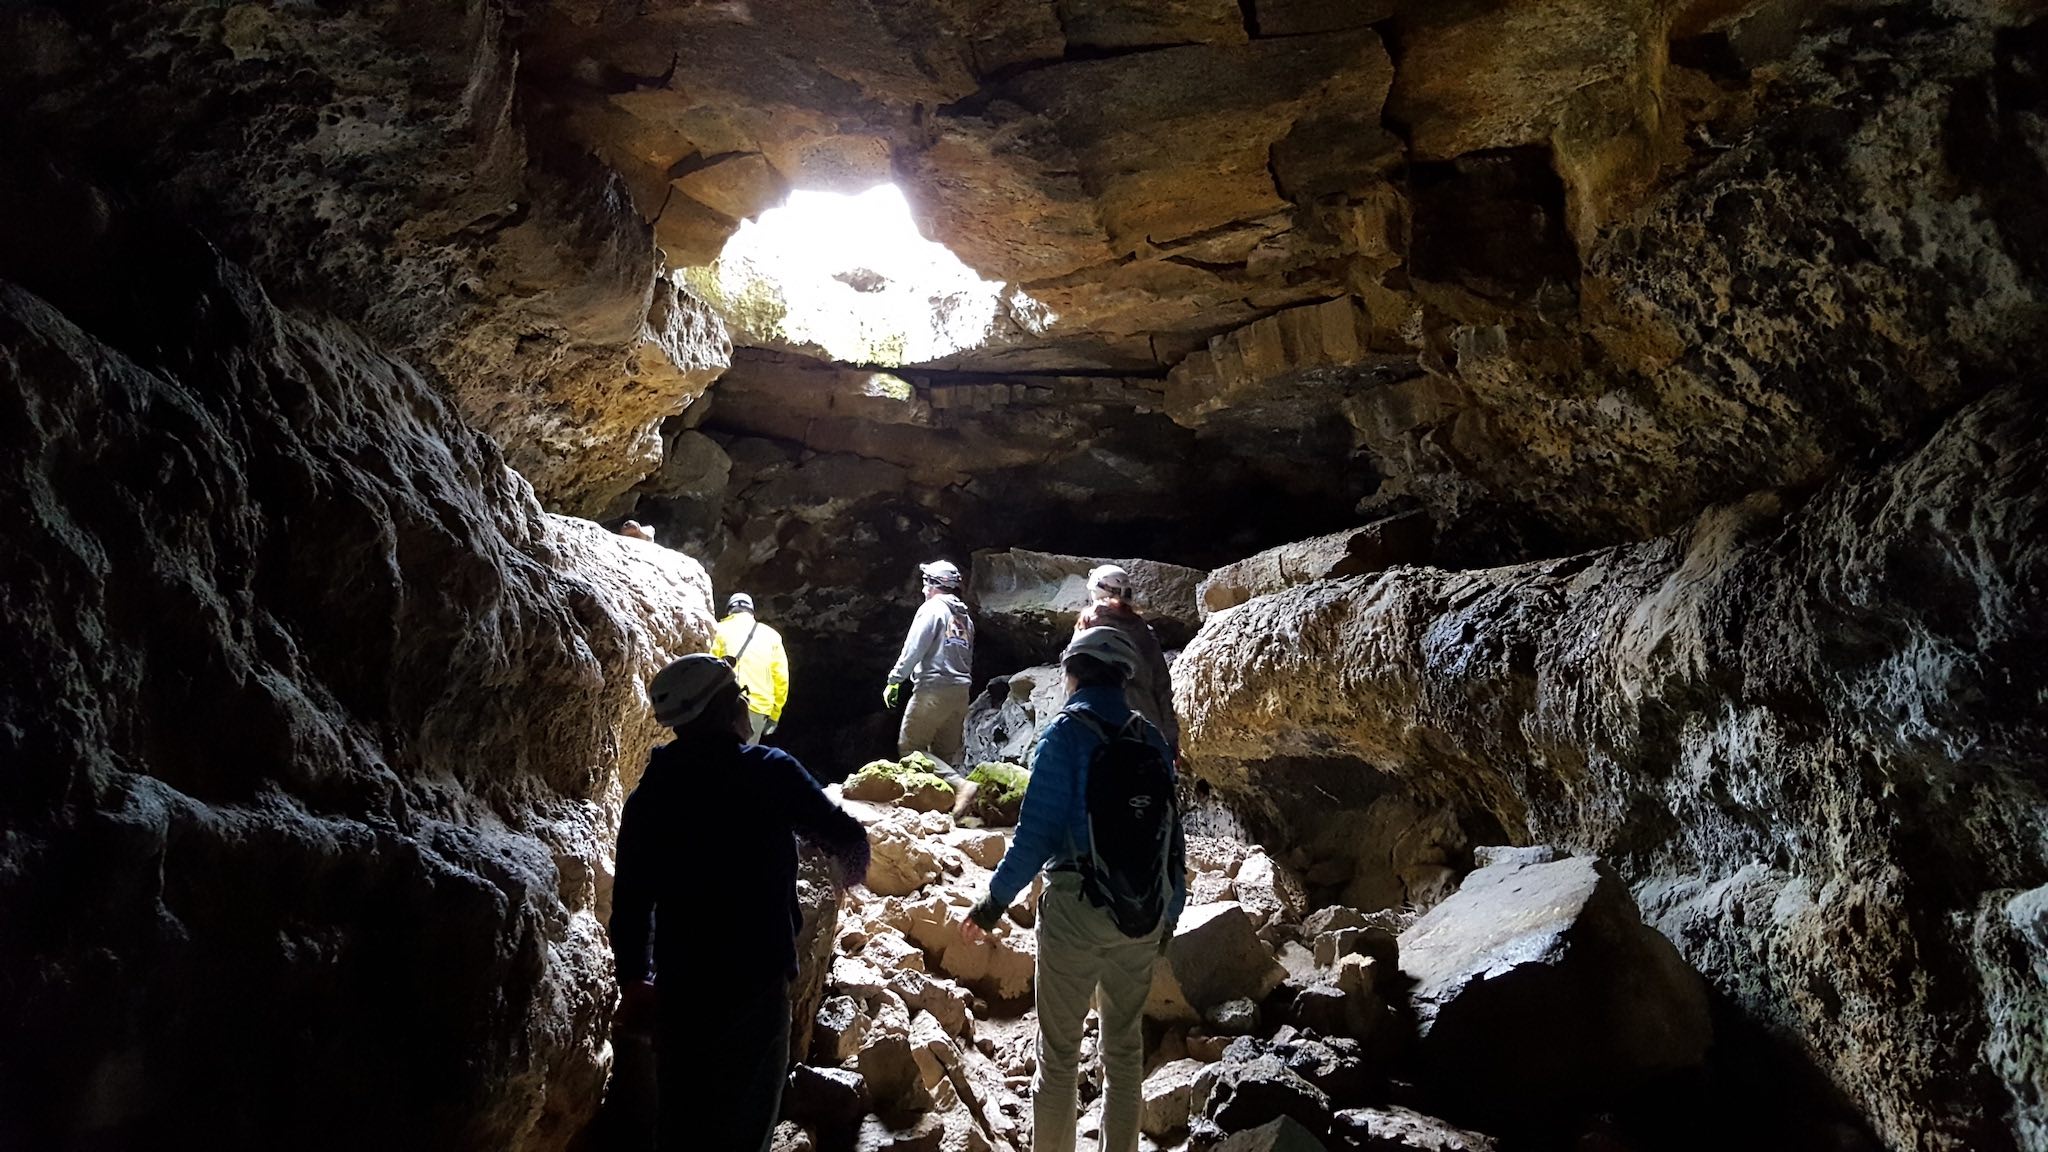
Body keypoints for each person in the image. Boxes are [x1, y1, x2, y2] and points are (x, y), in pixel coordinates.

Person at [612, 654, 869, 1152]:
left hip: (681, 987)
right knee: (745, 1127)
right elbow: (848, 840)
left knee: (682, 1126)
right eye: (741, 698)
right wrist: (844, 875)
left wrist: (635, 980)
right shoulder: (769, 772)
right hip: (755, 984)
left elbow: (630, 904)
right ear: (726, 708)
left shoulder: (651, 795)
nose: (746, 707)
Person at [962, 627, 1186, 1152]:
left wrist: (992, 903)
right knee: (1124, 1054)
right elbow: (1173, 839)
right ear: (1124, 677)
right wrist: (1168, 916)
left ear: (1073, 672)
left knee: (1059, 1057)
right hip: (1142, 913)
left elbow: (1035, 834)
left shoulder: (1064, 734)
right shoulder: (1150, 739)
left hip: (1076, 911)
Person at [883, 559, 980, 816]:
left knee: (910, 746)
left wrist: (895, 680)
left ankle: (962, 786)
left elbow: (914, 648)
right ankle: (943, 810)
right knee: (943, 755)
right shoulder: (964, 618)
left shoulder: (932, 609)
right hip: (960, 693)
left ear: (934, 584)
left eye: (926, 581)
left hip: (933, 689)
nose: (923, 587)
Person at [1074, 564, 1179, 750]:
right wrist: (1171, 739)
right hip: (1146, 725)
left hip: (1098, 724)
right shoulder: (1143, 631)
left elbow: (1073, 683)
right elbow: (1162, 685)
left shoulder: (1087, 629)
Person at [712, 592, 790, 744]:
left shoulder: (719, 630)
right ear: (752, 612)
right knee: (743, 761)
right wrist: (775, 715)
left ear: (729, 611)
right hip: (757, 708)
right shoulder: (772, 636)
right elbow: (781, 679)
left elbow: (709, 666)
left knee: (717, 758)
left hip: (724, 705)